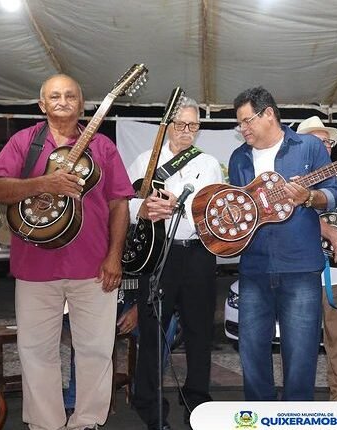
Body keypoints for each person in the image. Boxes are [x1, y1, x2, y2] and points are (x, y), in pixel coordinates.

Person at [0, 74, 134, 430]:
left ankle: (87, 422)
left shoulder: (103, 147)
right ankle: (45, 424)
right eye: (54, 96)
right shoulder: (24, 142)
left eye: (70, 96)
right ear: (42, 105)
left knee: (96, 350)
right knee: (36, 351)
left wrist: (115, 256)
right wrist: (43, 183)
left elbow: (119, 204)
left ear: (82, 104)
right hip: (34, 267)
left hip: (93, 267)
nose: (63, 101)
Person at [229, 87, 337, 400]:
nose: (243, 129)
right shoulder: (239, 157)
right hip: (254, 267)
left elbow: (333, 195)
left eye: (247, 121)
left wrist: (309, 197)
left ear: (268, 114)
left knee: (301, 354)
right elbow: (238, 210)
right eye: (239, 124)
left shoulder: (308, 147)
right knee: (251, 350)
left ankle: (297, 415)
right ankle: (259, 413)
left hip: (300, 267)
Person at [127, 96, 222, 430]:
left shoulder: (209, 163)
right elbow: (124, 206)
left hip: (198, 252)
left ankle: (197, 405)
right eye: (180, 124)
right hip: (159, 255)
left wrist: (187, 211)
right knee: (153, 333)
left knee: (199, 332)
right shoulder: (146, 160)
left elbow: (216, 211)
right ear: (167, 125)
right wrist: (145, 209)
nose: (186, 131)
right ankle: (151, 408)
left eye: (193, 125)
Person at [296, 116, 337, 401]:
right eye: (317, 140)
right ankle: (299, 400)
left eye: (327, 142)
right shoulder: (292, 181)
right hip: (300, 274)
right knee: (299, 343)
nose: (324, 146)